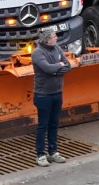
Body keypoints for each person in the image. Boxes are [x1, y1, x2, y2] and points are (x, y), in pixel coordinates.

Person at [31, 27, 72, 164]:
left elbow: (67, 65)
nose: (57, 38)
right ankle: (40, 155)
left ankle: (53, 151)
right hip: (43, 95)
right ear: (48, 39)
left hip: (57, 93)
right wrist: (57, 67)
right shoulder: (37, 53)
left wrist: (56, 69)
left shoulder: (57, 48)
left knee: (54, 124)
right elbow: (47, 68)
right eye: (54, 36)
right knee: (43, 125)